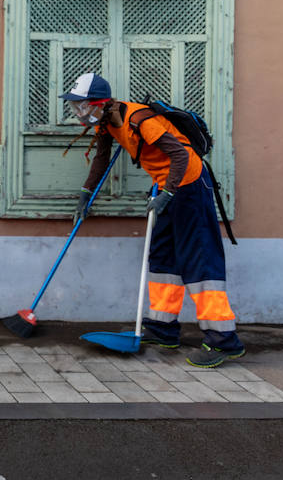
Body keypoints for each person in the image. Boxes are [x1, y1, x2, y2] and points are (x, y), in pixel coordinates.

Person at [61, 72, 245, 368]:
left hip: (189, 186)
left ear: (99, 103)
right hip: (165, 187)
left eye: (81, 106)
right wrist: (85, 193)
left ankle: (223, 341)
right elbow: (101, 158)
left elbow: (180, 155)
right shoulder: (108, 124)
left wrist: (168, 194)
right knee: (162, 259)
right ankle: (162, 330)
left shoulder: (141, 120)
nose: (78, 112)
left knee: (200, 261)